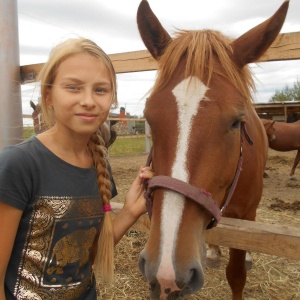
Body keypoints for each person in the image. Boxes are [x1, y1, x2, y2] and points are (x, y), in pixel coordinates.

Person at [0, 37, 153, 300]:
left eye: (101, 90)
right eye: (73, 87)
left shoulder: (100, 165)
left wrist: (129, 212)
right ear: (48, 96)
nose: (89, 101)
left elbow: (87, 258)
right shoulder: (19, 166)